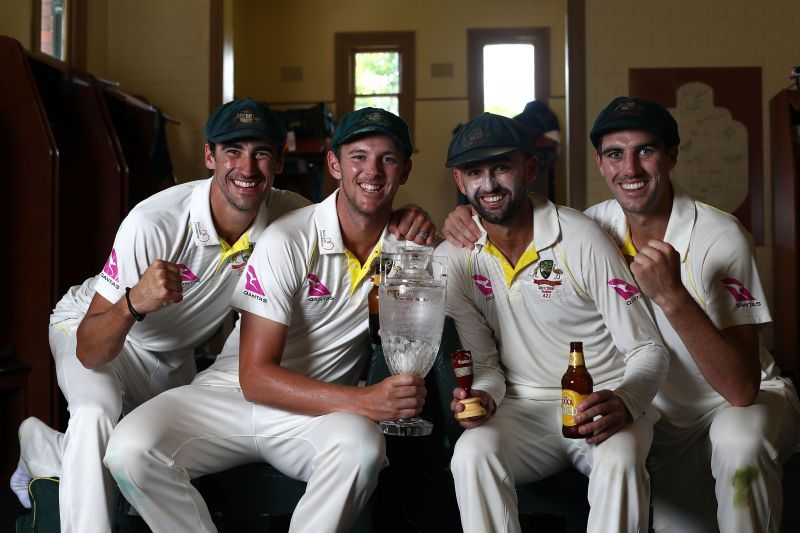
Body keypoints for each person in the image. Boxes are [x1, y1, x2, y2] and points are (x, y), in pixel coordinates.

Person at [10, 99, 434, 533]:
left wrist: (415, 216)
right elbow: (90, 349)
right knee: (97, 415)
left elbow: (356, 208)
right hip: (102, 327)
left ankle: (48, 449)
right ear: (209, 156)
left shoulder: (288, 215)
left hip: (175, 351)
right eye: (233, 151)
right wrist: (134, 302)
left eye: (262, 153)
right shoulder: (153, 221)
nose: (247, 168)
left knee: (127, 452)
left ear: (279, 161)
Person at [436, 112, 669, 533]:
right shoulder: (453, 259)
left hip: (601, 404)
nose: (488, 184)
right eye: (474, 172)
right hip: (521, 411)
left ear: (529, 168)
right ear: (459, 181)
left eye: (501, 167)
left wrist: (625, 400)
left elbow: (647, 348)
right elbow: (485, 364)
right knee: (472, 452)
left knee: (618, 459)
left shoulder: (580, 237)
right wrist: (483, 396)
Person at [583, 96, 800, 533]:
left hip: (735, 404)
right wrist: (462, 217)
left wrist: (673, 297)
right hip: (655, 414)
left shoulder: (722, 235)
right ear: (600, 164)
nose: (630, 169)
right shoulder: (590, 229)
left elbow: (742, 387)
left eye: (645, 150)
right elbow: (513, 221)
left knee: (740, 443)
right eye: (615, 154)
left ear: (672, 156)